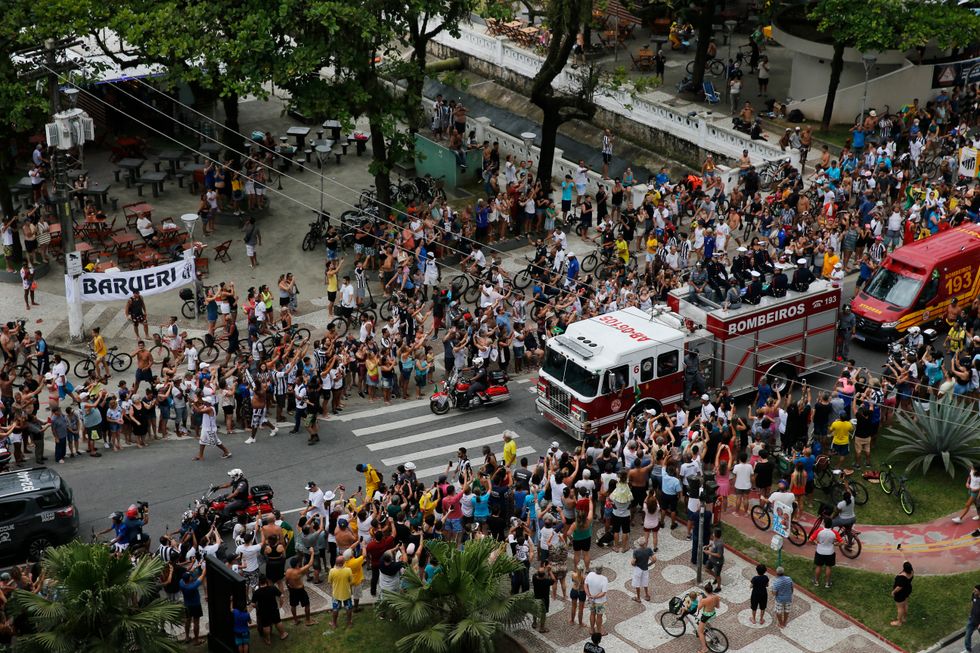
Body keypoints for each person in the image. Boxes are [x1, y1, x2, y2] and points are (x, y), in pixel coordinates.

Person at [252, 575, 289, 644]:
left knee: (266, 625)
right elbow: (282, 596)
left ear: (259, 582)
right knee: (278, 621)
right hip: (274, 609)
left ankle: (268, 640)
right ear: (266, 581)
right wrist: (281, 604)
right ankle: (283, 634)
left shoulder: (256, 592)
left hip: (263, 611)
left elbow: (253, 604)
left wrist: (257, 607)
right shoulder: (273, 588)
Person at [285, 547, 317, 626]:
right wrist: (312, 553)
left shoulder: (288, 571)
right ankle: (308, 621)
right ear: (297, 564)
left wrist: (288, 587)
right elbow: (310, 564)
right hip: (300, 590)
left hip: (292, 590)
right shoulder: (299, 571)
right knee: (307, 605)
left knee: (293, 605)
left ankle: (295, 620)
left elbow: (286, 581)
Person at [809, 517, 842, 589]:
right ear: (831, 524)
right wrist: (835, 544)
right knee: (828, 567)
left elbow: (810, 540)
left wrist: (816, 543)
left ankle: (816, 581)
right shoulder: (834, 533)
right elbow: (842, 542)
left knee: (819, 566)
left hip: (820, 551)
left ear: (824, 523)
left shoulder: (818, 531)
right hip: (830, 552)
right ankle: (827, 583)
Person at [179, 565, 206, 645]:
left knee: (188, 620)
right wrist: (205, 566)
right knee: (196, 622)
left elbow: (187, 574)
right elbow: (202, 575)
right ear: (190, 579)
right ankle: (196, 640)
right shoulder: (192, 586)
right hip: (195, 605)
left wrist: (195, 566)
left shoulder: (181, 582)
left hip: (187, 604)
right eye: (190, 576)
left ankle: (187, 637)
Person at [329, 554, 354, 629]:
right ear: (343, 563)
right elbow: (351, 581)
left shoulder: (332, 571)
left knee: (335, 609)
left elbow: (330, 582)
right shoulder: (348, 570)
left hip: (336, 594)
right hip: (347, 593)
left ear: (336, 563)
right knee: (348, 608)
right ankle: (349, 623)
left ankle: (334, 624)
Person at [697, 582, 721, 653]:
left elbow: (698, 608)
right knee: (706, 625)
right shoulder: (716, 597)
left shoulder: (704, 600)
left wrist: (700, 600)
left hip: (706, 616)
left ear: (705, 590)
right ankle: (711, 632)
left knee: (700, 632)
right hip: (713, 614)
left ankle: (704, 648)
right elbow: (718, 606)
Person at [584, 564, 608, 636]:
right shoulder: (604, 579)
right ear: (602, 570)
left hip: (590, 600)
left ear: (595, 569)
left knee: (592, 614)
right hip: (600, 601)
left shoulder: (590, 574)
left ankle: (591, 629)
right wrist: (594, 597)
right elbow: (603, 593)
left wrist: (589, 596)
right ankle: (599, 630)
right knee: (599, 616)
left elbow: (585, 585)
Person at [530, 564, 554, 633]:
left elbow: (537, 573)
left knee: (535, 610)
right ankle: (542, 628)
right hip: (544, 600)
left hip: (536, 597)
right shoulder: (546, 581)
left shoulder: (534, 578)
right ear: (544, 575)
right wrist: (549, 571)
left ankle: (534, 623)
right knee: (543, 614)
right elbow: (553, 579)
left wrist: (543, 569)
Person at [630, 537, 654, 602]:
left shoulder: (636, 551)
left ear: (638, 544)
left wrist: (634, 565)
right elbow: (654, 559)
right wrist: (649, 564)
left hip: (638, 569)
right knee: (645, 582)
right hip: (645, 568)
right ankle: (647, 595)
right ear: (645, 543)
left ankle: (638, 598)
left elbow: (633, 562)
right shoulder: (648, 550)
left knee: (637, 584)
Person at [891, 560, 913, 627]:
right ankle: (904, 618)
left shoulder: (902, 577)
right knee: (905, 603)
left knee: (900, 608)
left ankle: (899, 622)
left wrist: (893, 592)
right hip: (907, 590)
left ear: (904, 568)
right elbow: (905, 560)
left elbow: (899, 587)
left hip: (900, 593)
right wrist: (901, 552)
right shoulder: (911, 571)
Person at [965, 584, 980, 653]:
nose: (974, 591)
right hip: (972, 619)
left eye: (976, 590)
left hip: (979, 621)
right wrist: (970, 614)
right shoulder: (974, 595)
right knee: (967, 635)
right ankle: (968, 649)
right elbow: (972, 603)